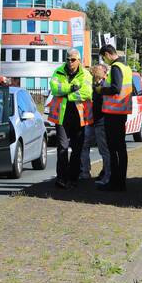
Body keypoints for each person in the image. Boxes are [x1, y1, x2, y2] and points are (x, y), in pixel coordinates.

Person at [48, 49, 93, 189]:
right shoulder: (58, 71)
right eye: (68, 59)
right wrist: (72, 88)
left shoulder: (85, 74)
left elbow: (86, 92)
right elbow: (55, 88)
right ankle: (61, 177)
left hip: (79, 117)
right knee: (62, 147)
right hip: (61, 117)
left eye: (73, 59)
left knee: (77, 149)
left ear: (79, 60)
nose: (70, 62)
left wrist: (67, 94)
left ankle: (73, 178)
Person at [97, 45, 132, 192]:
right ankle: (120, 182)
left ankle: (115, 183)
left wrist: (101, 89)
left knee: (113, 150)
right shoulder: (126, 67)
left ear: (107, 54)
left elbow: (116, 88)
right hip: (121, 112)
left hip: (114, 113)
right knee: (121, 149)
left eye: (103, 58)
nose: (104, 61)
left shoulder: (116, 67)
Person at [80, 62, 111, 183]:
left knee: (104, 150)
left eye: (97, 71)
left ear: (104, 74)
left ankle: (107, 175)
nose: (95, 73)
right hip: (91, 121)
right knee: (84, 145)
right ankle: (85, 172)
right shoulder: (92, 85)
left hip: (101, 122)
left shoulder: (105, 86)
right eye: (94, 71)